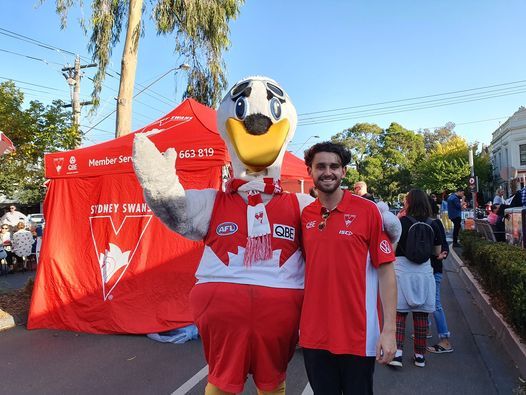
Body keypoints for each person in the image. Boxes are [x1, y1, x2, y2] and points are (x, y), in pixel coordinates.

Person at [300, 142, 397, 394]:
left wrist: (389, 330)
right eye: (320, 166)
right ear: (310, 171)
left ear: (344, 172)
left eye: (334, 166)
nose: (327, 172)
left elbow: (387, 272)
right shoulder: (305, 215)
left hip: (358, 336)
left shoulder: (368, 211)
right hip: (314, 335)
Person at [389, 189, 440, 368]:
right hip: (424, 272)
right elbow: (437, 252)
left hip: (402, 271)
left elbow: (392, 249)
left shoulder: (401, 222)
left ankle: (397, 354)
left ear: (409, 203)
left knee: (399, 314)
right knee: (421, 316)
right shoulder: (434, 224)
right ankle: (420, 356)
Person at [427, 196, 453, 354]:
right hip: (433, 268)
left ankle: (445, 340)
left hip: (433, 269)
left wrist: (442, 253)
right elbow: (445, 246)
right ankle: (427, 329)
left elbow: (444, 246)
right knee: (428, 302)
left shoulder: (433, 223)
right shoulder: (433, 222)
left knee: (435, 304)